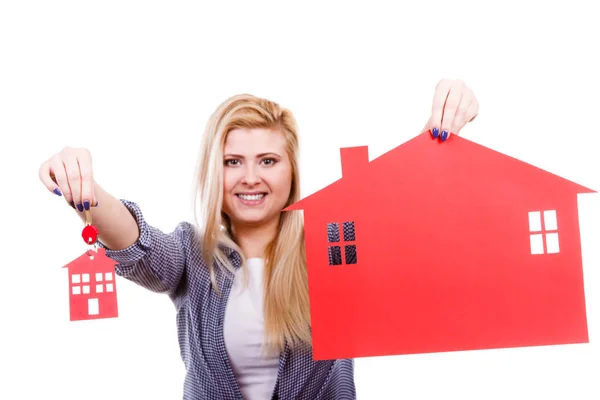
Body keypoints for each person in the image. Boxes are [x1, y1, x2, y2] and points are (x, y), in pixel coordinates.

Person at [38, 78, 479, 399]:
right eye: (233, 161)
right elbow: (139, 244)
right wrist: (88, 194)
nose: (250, 178)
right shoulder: (193, 254)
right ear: (215, 171)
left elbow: (397, 213)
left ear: (291, 172)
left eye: (268, 160)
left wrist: (441, 129)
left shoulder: (331, 248)